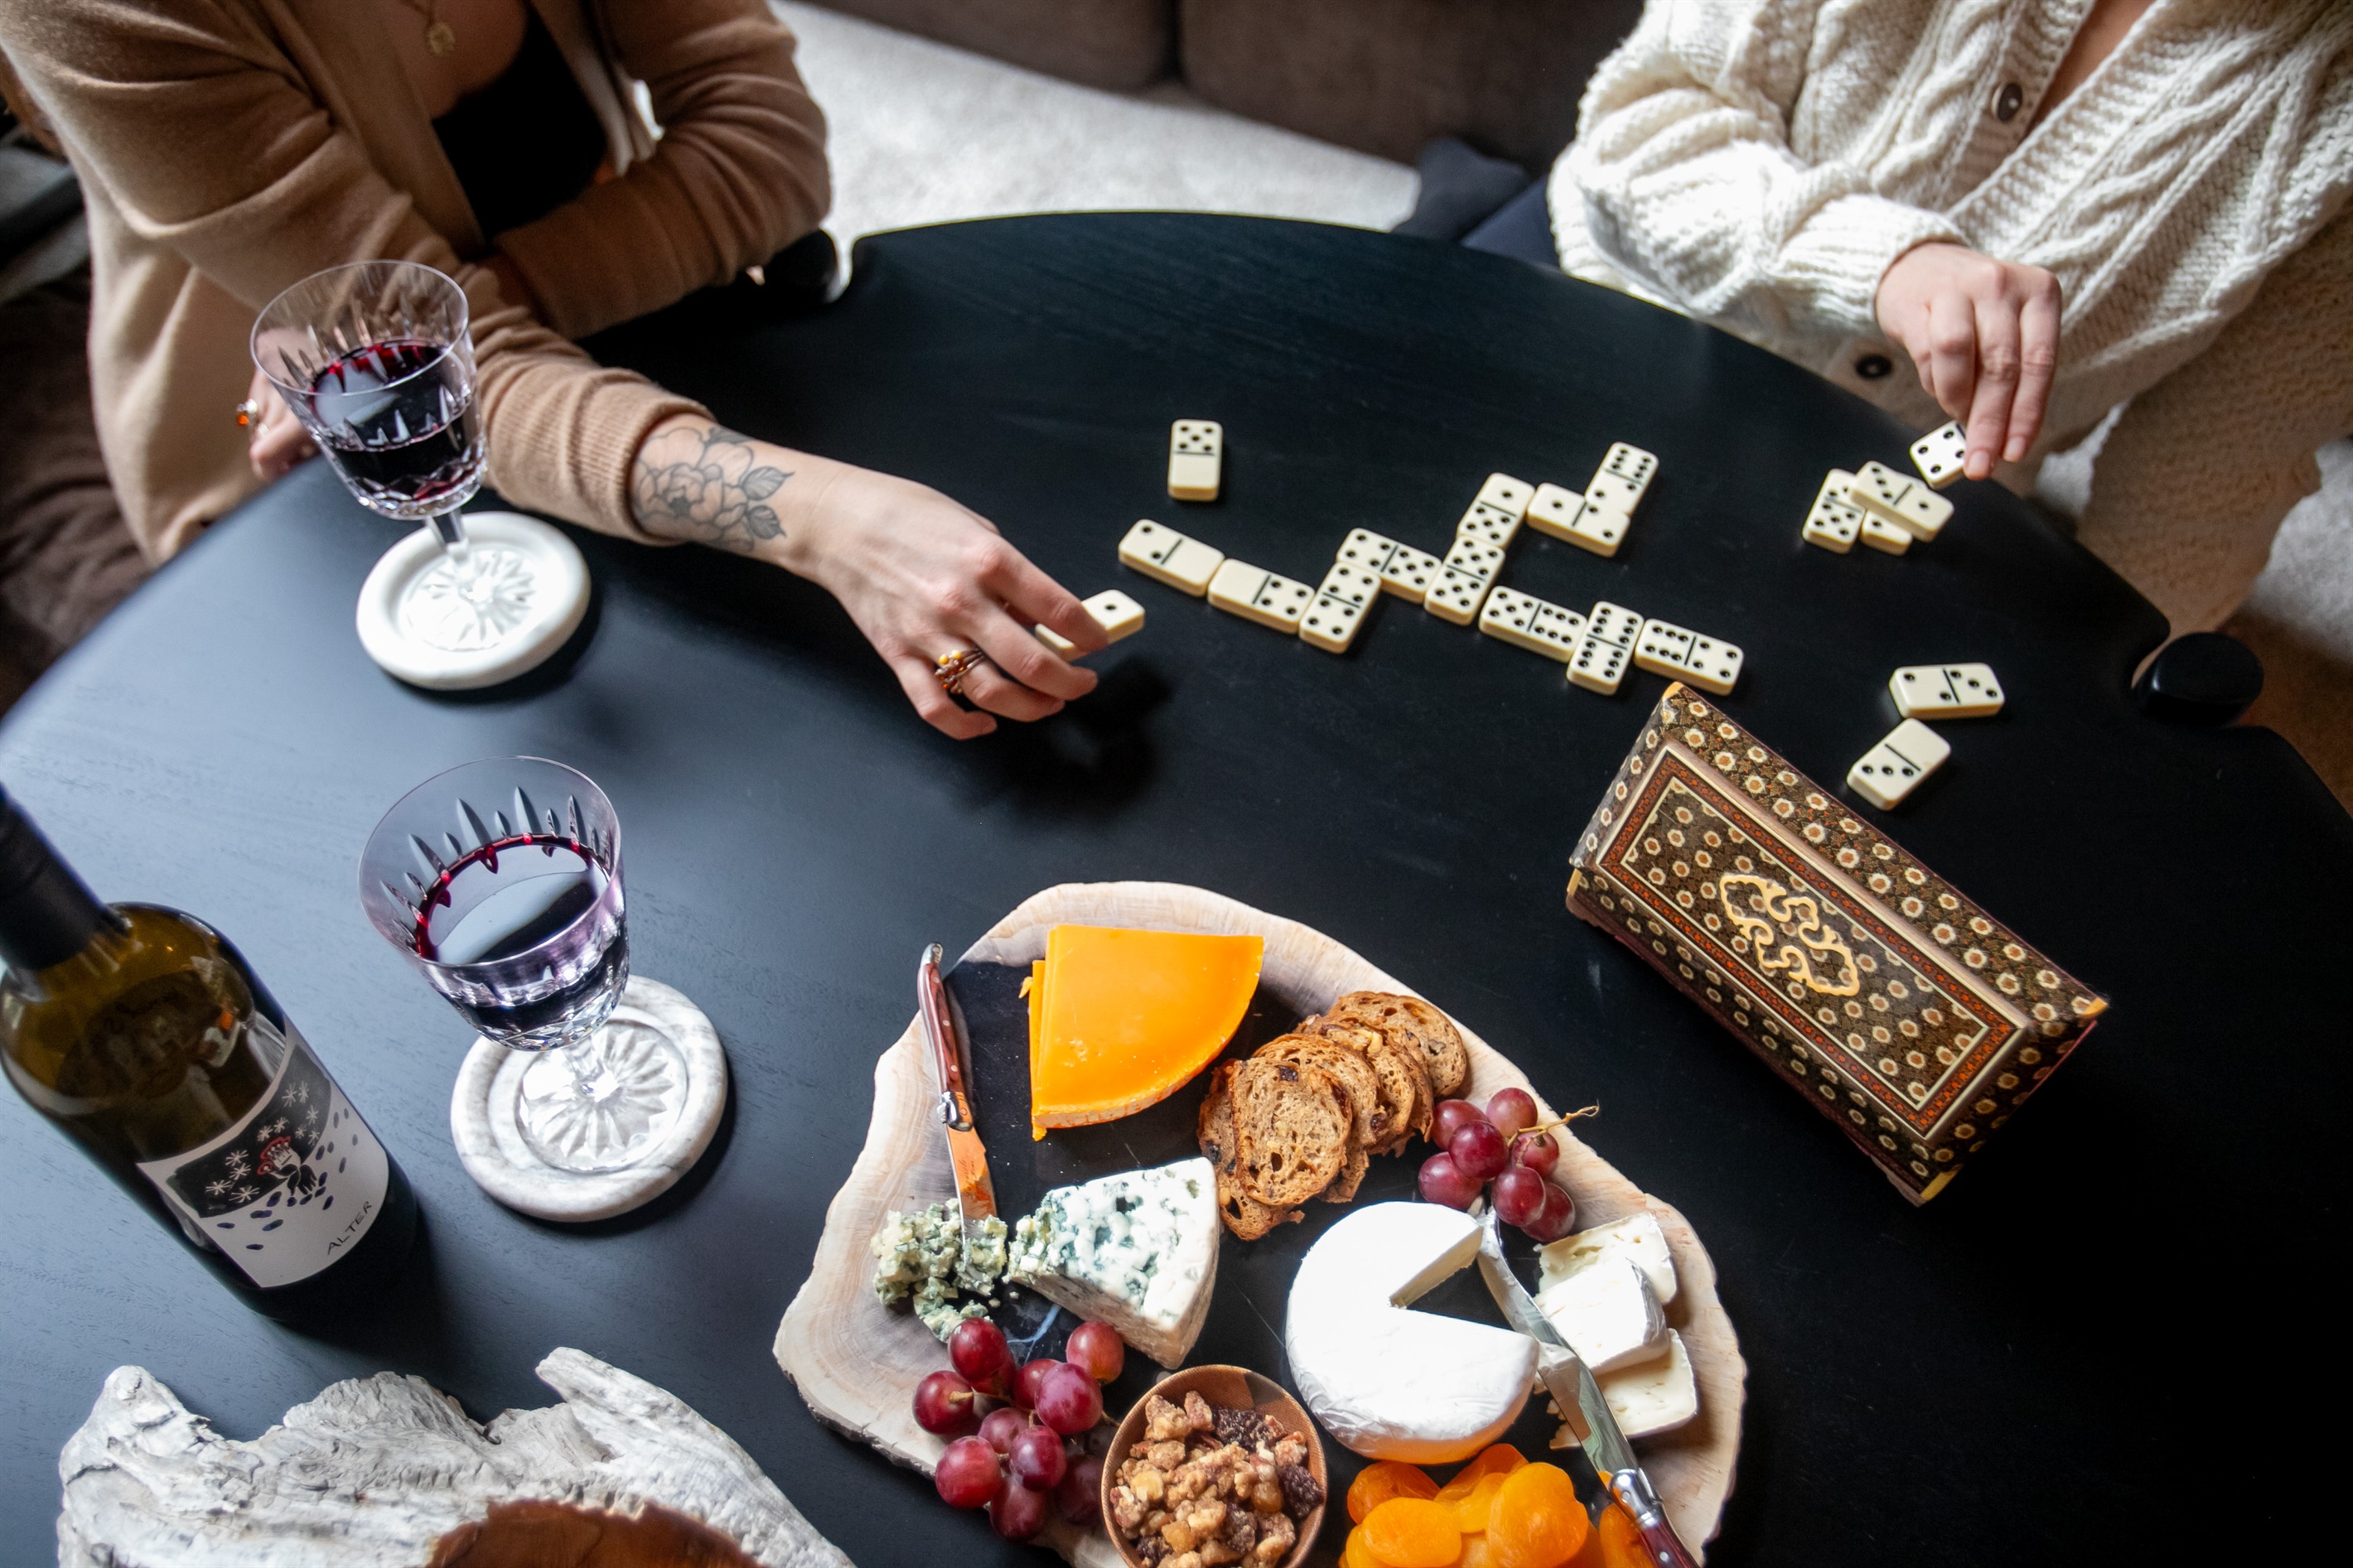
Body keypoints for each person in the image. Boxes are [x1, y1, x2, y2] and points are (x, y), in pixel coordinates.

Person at [0, 0, 1105, 736]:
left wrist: (452, 323)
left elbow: (766, 143)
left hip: (563, 360)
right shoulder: (92, 11)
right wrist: (827, 520)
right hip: (317, 467)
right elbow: (452, 385)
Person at [1472, 0, 2351, 634]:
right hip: (1604, 280)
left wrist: (2093, 695)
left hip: (1888, 496)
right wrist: (1886, 262)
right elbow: (1642, 132)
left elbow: (2201, 490)